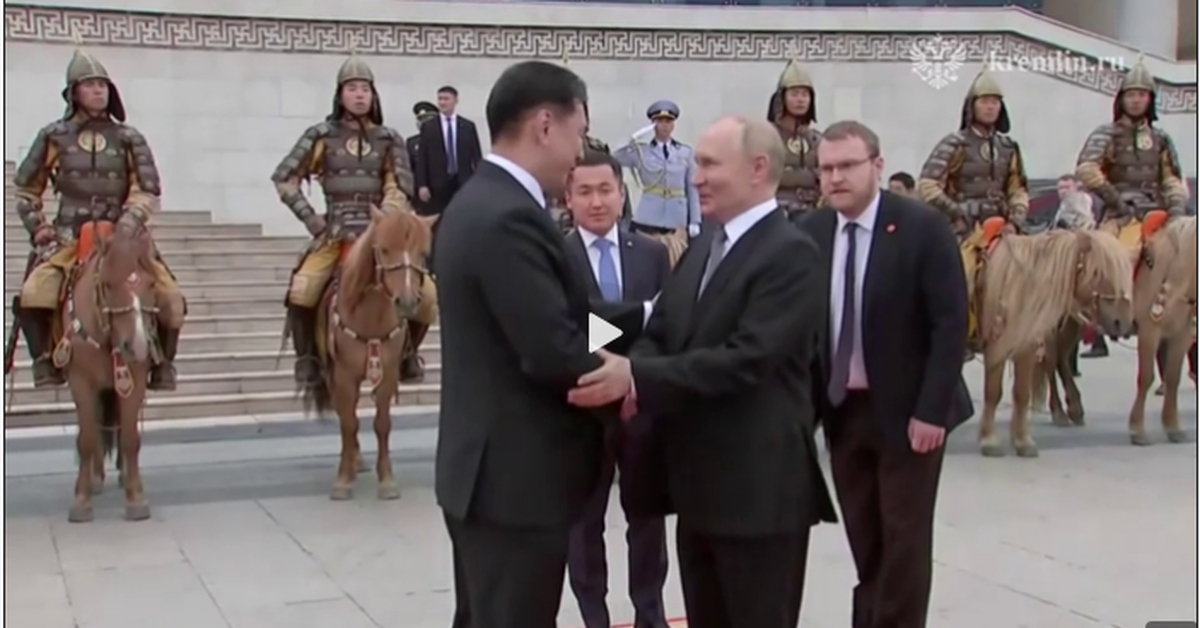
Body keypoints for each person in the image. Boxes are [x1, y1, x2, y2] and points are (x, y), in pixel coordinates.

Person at [568, 115, 837, 628]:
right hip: (699, 491)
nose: (696, 178)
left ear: (758, 168)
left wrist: (638, 379)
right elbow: (662, 328)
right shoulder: (706, 246)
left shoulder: (791, 254)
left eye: (710, 165)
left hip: (758, 492)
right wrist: (631, 367)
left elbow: (748, 358)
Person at [433, 60, 650, 628]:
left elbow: (556, 319)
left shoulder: (481, 202)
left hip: (491, 479)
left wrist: (643, 319)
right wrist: (636, 378)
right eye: (580, 133)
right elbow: (552, 346)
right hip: (514, 485)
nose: (580, 152)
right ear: (546, 126)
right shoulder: (508, 216)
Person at [796, 120, 973, 628]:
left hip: (909, 414)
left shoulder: (921, 228)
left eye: (847, 166)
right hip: (843, 412)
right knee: (865, 536)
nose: (835, 178)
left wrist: (931, 410)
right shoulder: (811, 233)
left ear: (876, 165)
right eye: (826, 168)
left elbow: (950, 325)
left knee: (904, 540)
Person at [13, 46, 185, 390]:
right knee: (33, 293)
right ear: (74, 93)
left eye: (103, 85)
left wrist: (129, 223)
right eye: (90, 85)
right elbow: (26, 190)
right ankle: (45, 361)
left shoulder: (129, 137)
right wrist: (39, 227)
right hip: (70, 237)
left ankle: (162, 364)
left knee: (170, 297)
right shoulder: (53, 136)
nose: (98, 91)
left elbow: (147, 189)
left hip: (124, 238)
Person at [270, 54, 435, 385]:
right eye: (352, 88)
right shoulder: (320, 135)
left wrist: (385, 220)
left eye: (365, 89)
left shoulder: (389, 138)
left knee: (428, 298)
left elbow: (400, 185)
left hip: (380, 235)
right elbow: (284, 178)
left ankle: (407, 355)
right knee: (303, 289)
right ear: (340, 95)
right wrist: (309, 217)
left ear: (374, 95)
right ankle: (308, 358)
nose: (359, 95)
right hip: (336, 232)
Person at [562, 150, 672, 628]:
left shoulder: (651, 253)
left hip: (639, 405)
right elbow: (568, 327)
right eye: (585, 192)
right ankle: (595, 618)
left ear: (622, 194)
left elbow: (664, 323)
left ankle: (650, 614)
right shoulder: (555, 257)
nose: (597, 201)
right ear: (568, 199)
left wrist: (633, 369)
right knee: (583, 525)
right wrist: (624, 334)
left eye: (605, 190)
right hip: (581, 409)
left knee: (647, 520)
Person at [916, 67, 1029, 353]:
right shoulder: (954, 143)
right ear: (972, 106)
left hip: (1003, 227)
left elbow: (1017, 188)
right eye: (985, 101)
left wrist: (1015, 220)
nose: (990, 107)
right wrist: (956, 212)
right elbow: (928, 184)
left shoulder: (1008, 147)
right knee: (962, 279)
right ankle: (960, 337)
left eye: (995, 102)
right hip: (966, 230)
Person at [1075, 56, 1188, 250]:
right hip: (1119, 217)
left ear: (1150, 99)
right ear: (1122, 99)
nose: (1136, 100)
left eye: (1142, 95)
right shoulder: (1106, 134)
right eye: (1131, 95)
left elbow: (1171, 181)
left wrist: (1176, 213)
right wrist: (1117, 202)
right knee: (1119, 257)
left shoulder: (1160, 138)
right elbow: (1087, 170)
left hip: (1157, 214)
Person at [612, 100, 701, 237]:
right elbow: (615, 156)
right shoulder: (641, 151)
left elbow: (692, 188)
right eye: (660, 121)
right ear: (653, 124)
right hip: (648, 216)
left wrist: (695, 220)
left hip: (676, 217)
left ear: (673, 125)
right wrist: (634, 137)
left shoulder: (685, 152)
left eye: (668, 121)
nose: (664, 125)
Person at [414, 85, 484, 214]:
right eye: (440, 99)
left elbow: (476, 156)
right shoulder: (429, 127)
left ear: (455, 101)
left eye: (446, 99)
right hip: (437, 184)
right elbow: (422, 158)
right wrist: (422, 185)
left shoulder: (467, 126)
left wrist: (479, 182)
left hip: (462, 182)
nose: (442, 102)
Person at [767, 59, 823, 215]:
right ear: (782, 98)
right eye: (795, 94)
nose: (801, 99)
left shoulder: (816, 140)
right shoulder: (768, 137)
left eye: (805, 94)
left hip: (812, 212)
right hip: (778, 211)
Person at [408, 100, 439, 216]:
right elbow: (409, 170)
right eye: (421, 120)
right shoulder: (412, 143)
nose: (425, 123)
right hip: (420, 199)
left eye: (428, 119)